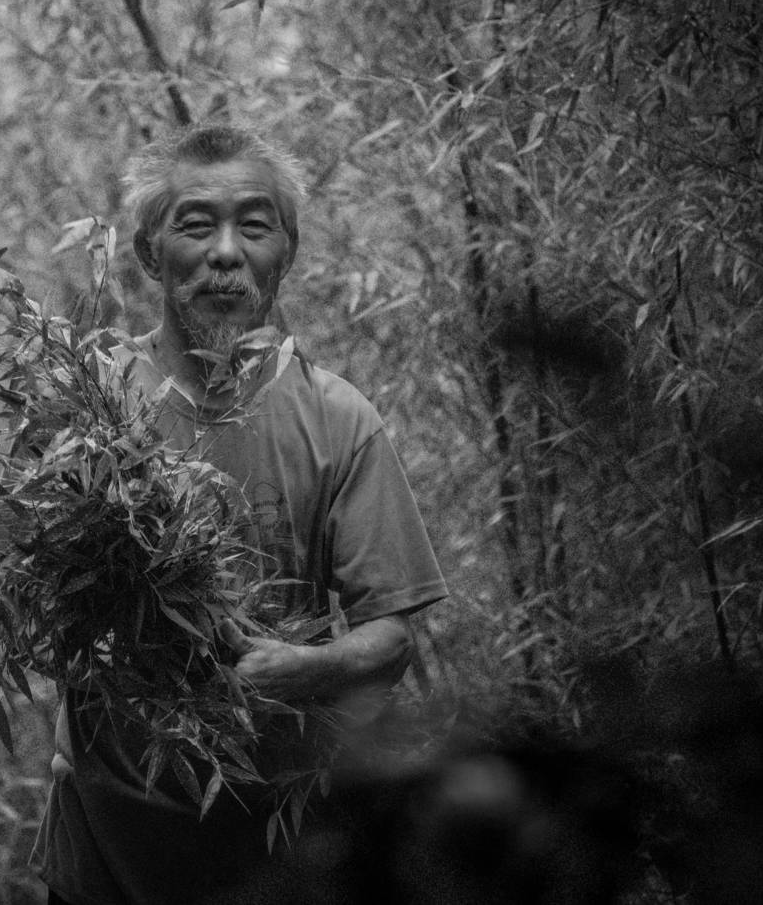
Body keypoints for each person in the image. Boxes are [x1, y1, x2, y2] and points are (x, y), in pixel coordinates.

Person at [31, 124, 449, 905]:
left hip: (275, 852)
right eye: (196, 224)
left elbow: (390, 639)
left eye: (254, 226)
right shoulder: (86, 404)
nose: (226, 252)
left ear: (286, 252)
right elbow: (32, 596)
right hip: (105, 851)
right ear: (149, 252)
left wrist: (308, 667)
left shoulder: (340, 420)